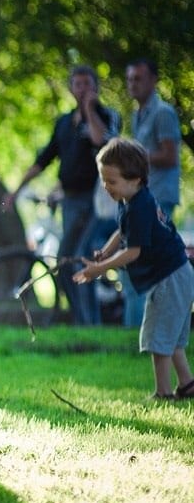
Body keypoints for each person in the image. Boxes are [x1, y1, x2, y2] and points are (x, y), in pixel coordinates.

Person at [73, 138, 194, 400]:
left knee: (157, 337)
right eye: (104, 180)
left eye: (112, 181)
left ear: (135, 178)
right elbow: (123, 232)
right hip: (179, 274)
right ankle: (187, 384)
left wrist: (99, 268)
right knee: (170, 337)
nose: (106, 187)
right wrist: (105, 251)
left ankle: (163, 392)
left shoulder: (140, 206)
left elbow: (133, 251)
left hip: (170, 278)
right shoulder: (133, 201)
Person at [2, 65, 121, 325]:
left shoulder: (106, 115)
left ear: (96, 87)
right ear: (70, 88)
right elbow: (43, 159)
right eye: (78, 84)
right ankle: (83, 320)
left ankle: (91, 324)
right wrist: (16, 191)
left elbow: (106, 144)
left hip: (96, 203)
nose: (83, 89)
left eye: (88, 84)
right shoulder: (64, 123)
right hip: (70, 201)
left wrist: (90, 110)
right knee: (67, 263)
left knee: (80, 258)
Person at [118, 58, 184, 327]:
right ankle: (136, 330)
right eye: (130, 79)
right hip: (142, 198)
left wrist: (135, 156)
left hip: (159, 198)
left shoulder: (163, 113)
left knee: (141, 266)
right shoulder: (138, 114)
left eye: (139, 78)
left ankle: (142, 331)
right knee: (136, 269)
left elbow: (170, 156)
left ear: (153, 80)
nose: (133, 84)